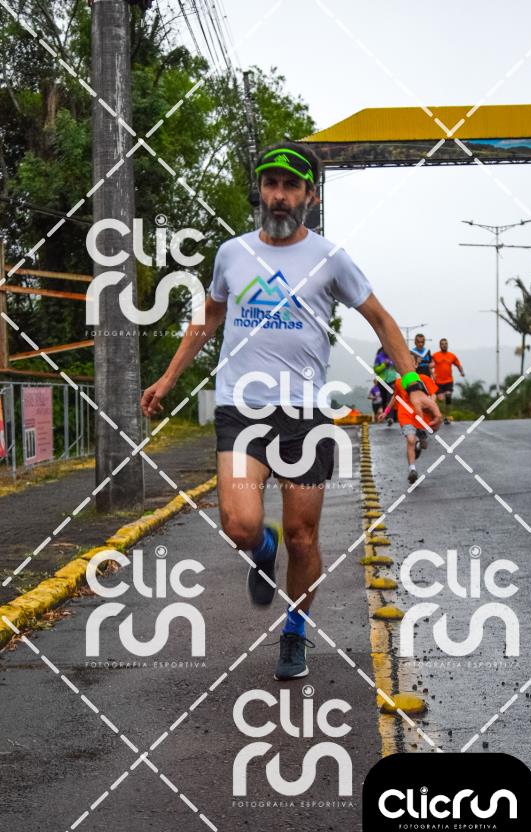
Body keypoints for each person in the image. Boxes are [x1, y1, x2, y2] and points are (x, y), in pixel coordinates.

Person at [140, 140, 441, 680]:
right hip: (241, 408)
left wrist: (413, 383)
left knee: (304, 537)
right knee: (240, 524)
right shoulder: (232, 254)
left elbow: (380, 319)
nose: (279, 196)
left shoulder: (330, 258)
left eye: (291, 187)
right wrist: (168, 377)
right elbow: (208, 316)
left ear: (310, 196)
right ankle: (262, 547)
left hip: (304, 415)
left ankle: (295, 631)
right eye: (270, 185)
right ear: (260, 191)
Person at [378, 373, 440, 483]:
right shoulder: (399, 382)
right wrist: (386, 412)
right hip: (405, 416)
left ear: (415, 365)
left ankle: (419, 444)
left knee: (421, 442)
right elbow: (395, 398)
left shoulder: (424, 378)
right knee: (410, 440)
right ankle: (412, 469)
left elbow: (433, 394)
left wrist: (430, 404)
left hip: (422, 416)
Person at [431, 338, 464, 425]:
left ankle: (447, 416)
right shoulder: (435, 355)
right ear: (440, 345)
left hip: (448, 381)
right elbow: (430, 365)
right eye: (442, 344)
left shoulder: (452, 356)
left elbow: (458, 365)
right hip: (438, 381)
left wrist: (462, 372)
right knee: (441, 399)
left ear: (447, 345)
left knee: (448, 396)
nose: (444, 345)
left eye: (445, 344)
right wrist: (432, 374)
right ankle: (439, 415)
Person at [373, 346, 398, 426]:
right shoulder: (379, 357)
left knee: (390, 398)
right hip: (382, 381)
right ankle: (386, 416)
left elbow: (397, 368)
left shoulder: (393, 356)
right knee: (384, 399)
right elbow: (376, 370)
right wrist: (384, 364)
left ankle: (391, 417)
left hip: (391, 381)